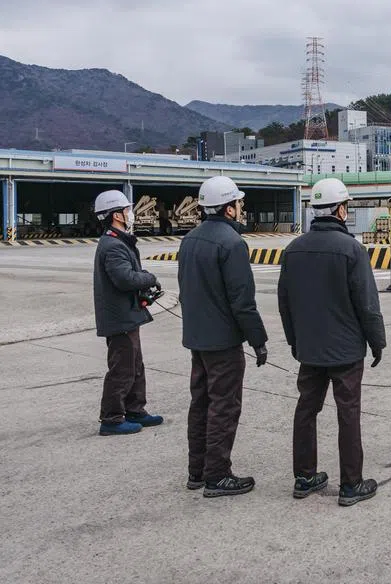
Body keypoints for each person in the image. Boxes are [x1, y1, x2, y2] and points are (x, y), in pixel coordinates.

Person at [278, 177, 385, 507]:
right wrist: (377, 342)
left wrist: (295, 342)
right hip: (345, 350)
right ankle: (351, 484)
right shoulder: (352, 249)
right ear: (341, 210)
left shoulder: (293, 249)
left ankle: (304, 476)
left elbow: (285, 302)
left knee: (306, 410)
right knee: (347, 413)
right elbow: (367, 304)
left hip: (309, 348)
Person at [178, 175, 268, 498]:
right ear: (228, 208)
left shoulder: (188, 240)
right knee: (224, 407)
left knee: (200, 403)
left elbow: (185, 290)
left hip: (197, 340)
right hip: (223, 343)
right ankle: (217, 474)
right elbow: (243, 301)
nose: (241, 208)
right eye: (238, 203)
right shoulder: (232, 244)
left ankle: (197, 471)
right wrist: (258, 340)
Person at [91, 190, 164, 436]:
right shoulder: (112, 245)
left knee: (135, 365)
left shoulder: (118, 241)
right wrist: (149, 278)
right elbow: (124, 278)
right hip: (119, 318)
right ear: (116, 215)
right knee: (122, 368)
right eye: (127, 210)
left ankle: (135, 410)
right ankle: (111, 419)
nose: (131, 213)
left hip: (127, 315)